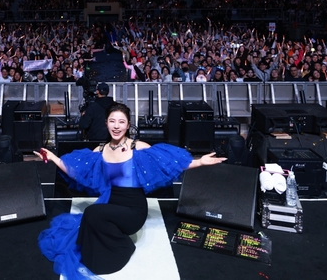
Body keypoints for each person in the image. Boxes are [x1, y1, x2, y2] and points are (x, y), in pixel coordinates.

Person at [34, 104, 225, 279]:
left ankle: (123, 248)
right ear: (106, 123)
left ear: (128, 125)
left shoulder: (138, 147)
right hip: (111, 202)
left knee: (92, 213)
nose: (116, 126)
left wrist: (200, 162)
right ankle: (95, 255)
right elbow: (76, 172)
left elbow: (169, 164)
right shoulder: (100, 150)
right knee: (92, 217)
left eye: (121, 122)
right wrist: (53, 158)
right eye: (112, 121)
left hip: (134, 209)